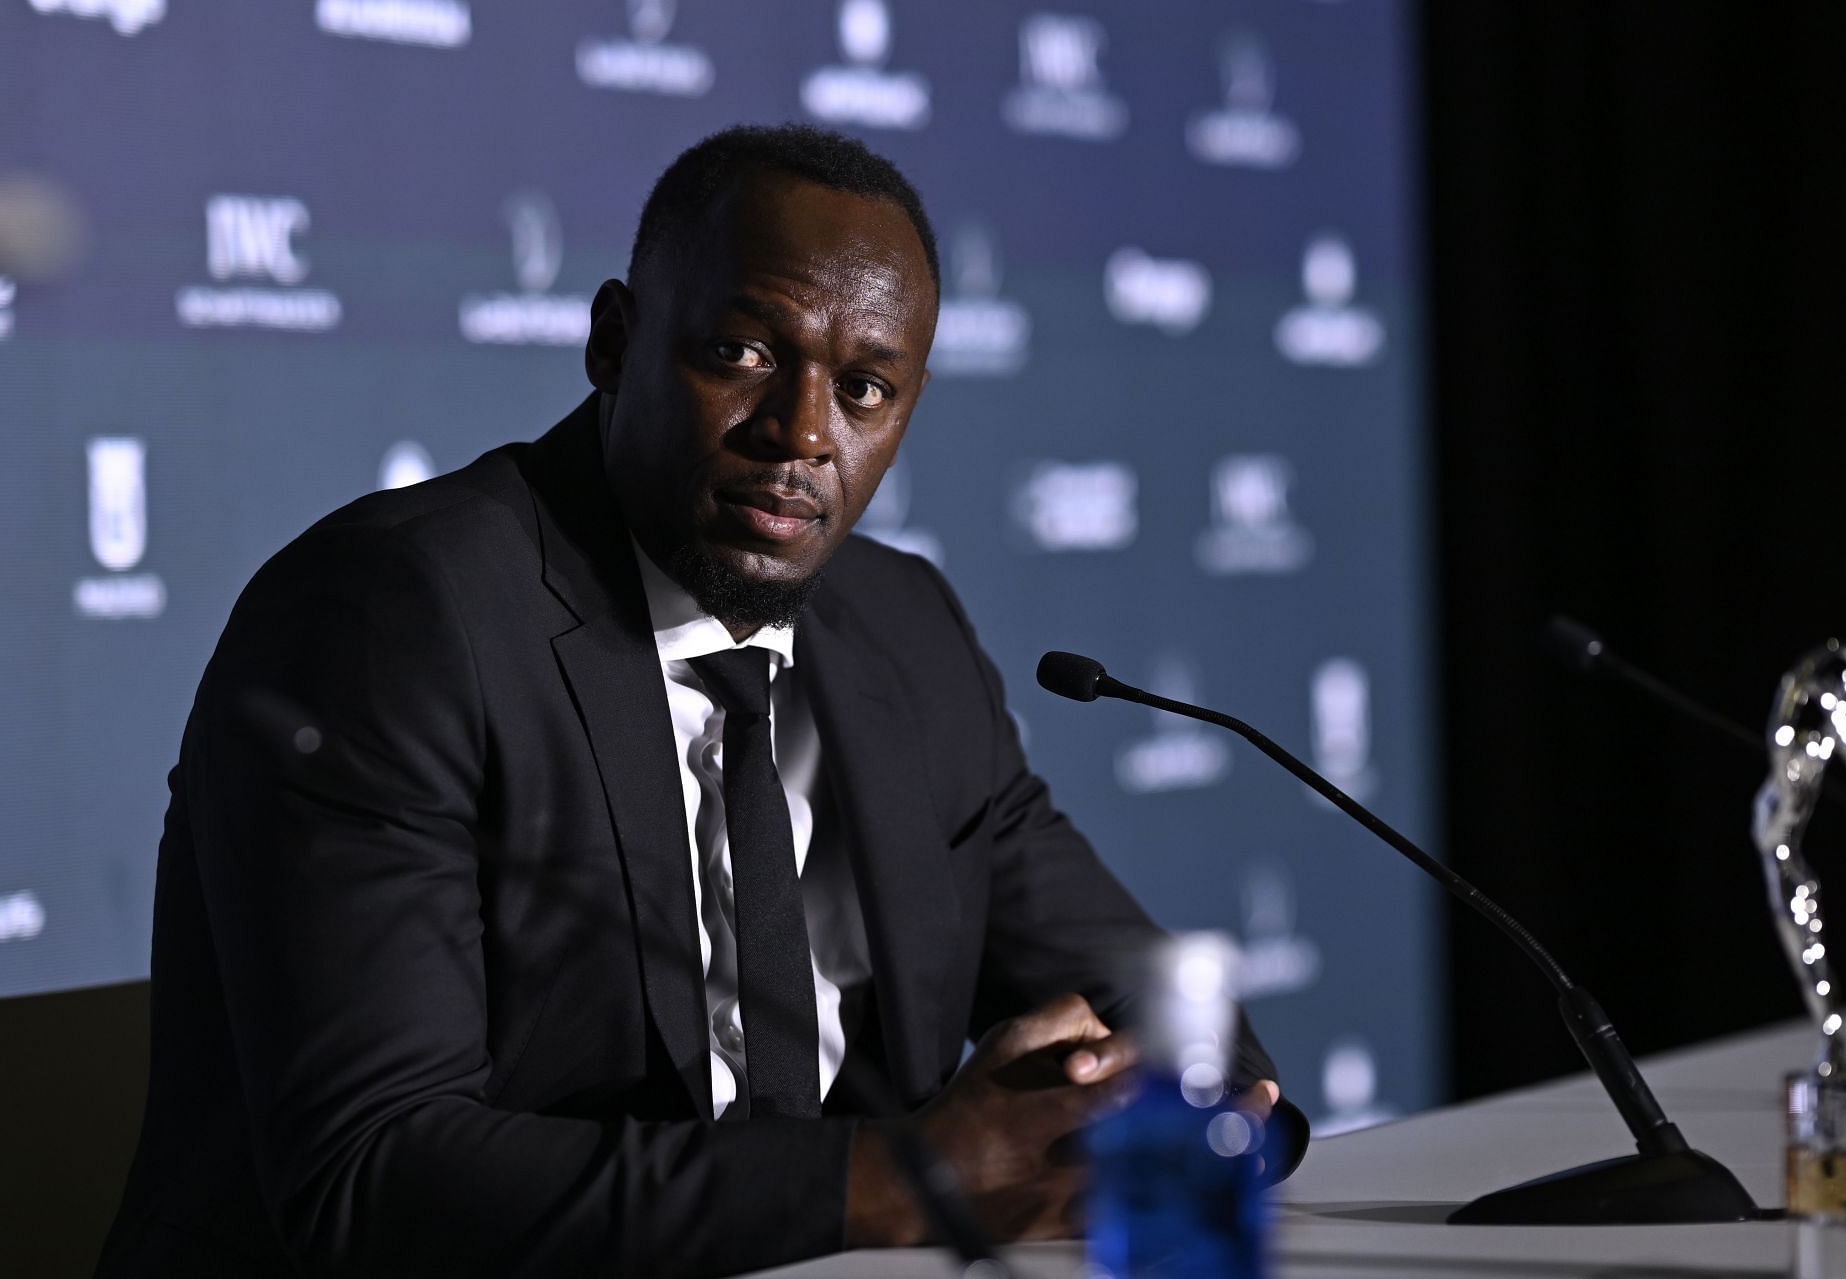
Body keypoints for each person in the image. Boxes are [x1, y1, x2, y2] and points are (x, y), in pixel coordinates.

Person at [97, 124, 1306, 1278]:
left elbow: (1139, 993)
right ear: (614, 341)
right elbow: (371, 1180)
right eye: (742, 354)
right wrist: (903, 1179)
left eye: (867, 389)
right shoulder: (392, 617)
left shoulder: (903, 632)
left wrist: (1187, 1115)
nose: (802, 434)